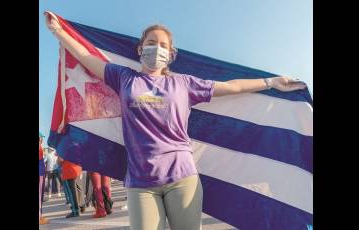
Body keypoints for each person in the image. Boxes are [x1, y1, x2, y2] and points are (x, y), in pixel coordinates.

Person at [45, 13, 306, 230]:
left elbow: (232, 86)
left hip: (182, 178)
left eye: (162, 45)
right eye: (151, 42)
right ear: (140, 49)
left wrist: (271, 82)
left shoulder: (183, 83)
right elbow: (87, 58)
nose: (156, 49)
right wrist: (59, 31)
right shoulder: (124, 78)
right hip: (140, 183)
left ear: (170, 54)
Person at [39, 132, 49, 225]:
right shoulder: (39, 147)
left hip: (41, 173)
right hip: (40, 173)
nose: (42, 139)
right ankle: (39, 217)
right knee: (39, 195)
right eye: (41, 137)